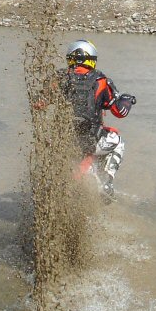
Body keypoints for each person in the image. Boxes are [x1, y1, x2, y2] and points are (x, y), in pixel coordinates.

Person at [61, 39, 136, 198]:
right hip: (91, 140)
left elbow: (39, 103)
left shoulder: (60, 78)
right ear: (91, 58)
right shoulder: (101, 80)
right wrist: (128, 101)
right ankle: (107, 183)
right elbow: (119, 112)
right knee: (117, 141)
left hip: (64, 141)